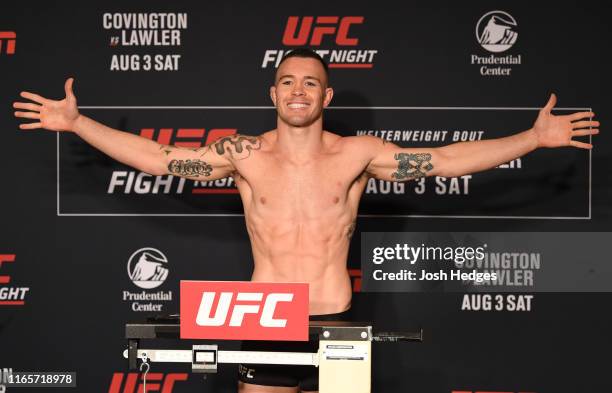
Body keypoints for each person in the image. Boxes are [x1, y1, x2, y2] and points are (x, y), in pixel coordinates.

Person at [12, 48, 599, 393]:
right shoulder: (243, 154)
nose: (299, 91)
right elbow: (161, 158)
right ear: (273, 93)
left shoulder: (357, 153)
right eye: (288, 82)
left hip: (337, 314)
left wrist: (532, 137)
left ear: (326, 95)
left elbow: (443, 160)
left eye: (310, 83)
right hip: (270, 315)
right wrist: (79, 124)